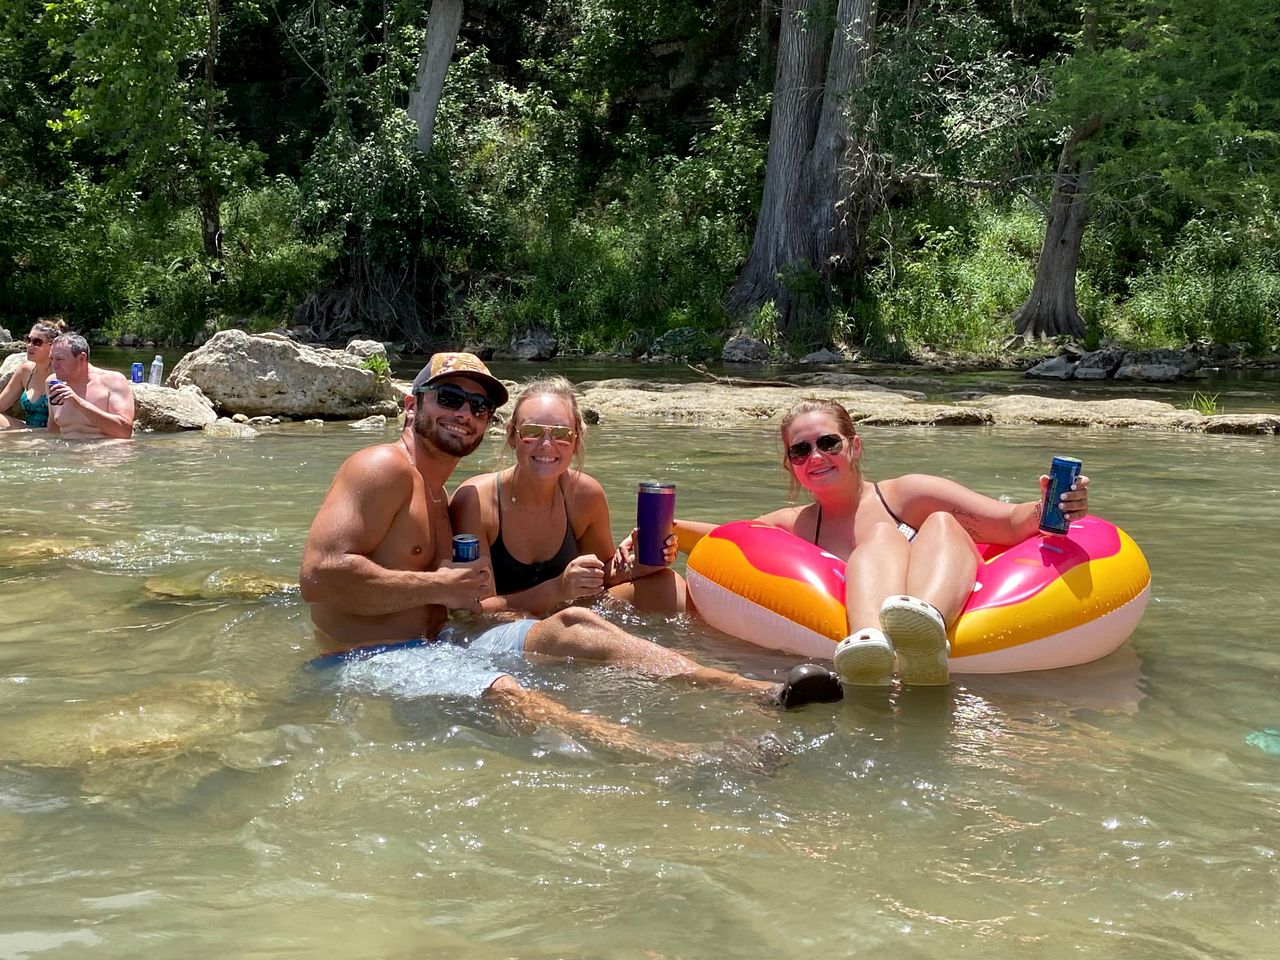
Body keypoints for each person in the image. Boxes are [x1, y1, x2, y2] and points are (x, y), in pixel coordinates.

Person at [299, 354, 841, 759]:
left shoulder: (436, 492)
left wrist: (639, 564)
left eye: (478, 404)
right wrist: (441, 589)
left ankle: (761, 693)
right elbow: (320, 577)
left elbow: (472, 602)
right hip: (365, 658)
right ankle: (683, 759)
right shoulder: (384, 468)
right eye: (449, 399)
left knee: (580, 623)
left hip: (440, 640)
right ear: (412, 404)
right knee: (510, 693)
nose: (465, 413)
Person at [676, 398, 1090, 688]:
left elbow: (1009, 524)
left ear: (854, 446)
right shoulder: (796, 524)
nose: (816, 457)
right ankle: (870, 646)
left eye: (828, 443)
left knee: (927, 524)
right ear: (792, 466)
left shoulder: (909, 496)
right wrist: (667, 528)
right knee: (876, 540)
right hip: (871, 663)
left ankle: (924, 628)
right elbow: (728, 539)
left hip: (948, 608)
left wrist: (1053, 505)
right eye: (800, 451)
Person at [450, 375, 683, 617]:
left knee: (666, 584)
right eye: (532, 432)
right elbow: (472, 612)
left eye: (561, 434)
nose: (547, 444)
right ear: (511, 436)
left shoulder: (585, 495)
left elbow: (602, 577)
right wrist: (558, 588)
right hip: (502, 629)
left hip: (565, 617)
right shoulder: (476, 500)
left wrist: (638, 563)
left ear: (576, 440)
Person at [45, 333, 135, 439]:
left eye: (60, 359)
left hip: (106, 450)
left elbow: (124, 431)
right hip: (69, 451)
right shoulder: (52, 382)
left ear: (82, 358)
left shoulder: (113, 381)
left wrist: (79, 403)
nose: (54, 365)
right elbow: (53, 430)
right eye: (52, 359)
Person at [0, 318, 65, 430]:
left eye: (37, 342)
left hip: (54, 433)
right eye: (28, 340)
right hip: (29, 430)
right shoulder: (25, 371)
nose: (30, 345)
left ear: (52, 346)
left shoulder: (61, 374)